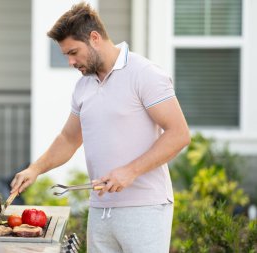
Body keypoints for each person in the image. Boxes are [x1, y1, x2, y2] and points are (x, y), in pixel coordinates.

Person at [10, 2, 190, 253]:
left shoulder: (144, 73)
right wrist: (35, 169)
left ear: (94, 38)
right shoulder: (84, 86)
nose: (71, 62)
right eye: (66, 55)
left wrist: (130, 171)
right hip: (100, 209)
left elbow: (179, 134)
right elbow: (69, 138)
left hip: (144, 208)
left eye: (74, 52)